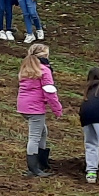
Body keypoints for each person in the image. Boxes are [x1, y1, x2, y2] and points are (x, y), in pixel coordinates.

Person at [15, 44, 63, 177]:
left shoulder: (27, 67)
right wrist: (57, 109)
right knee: (34, 137)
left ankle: (41, 162)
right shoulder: (44, 70)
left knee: (42, 131)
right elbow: (49, 92)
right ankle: (33, 168)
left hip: (23, 106)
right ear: (45, 55)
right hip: (35, 108)